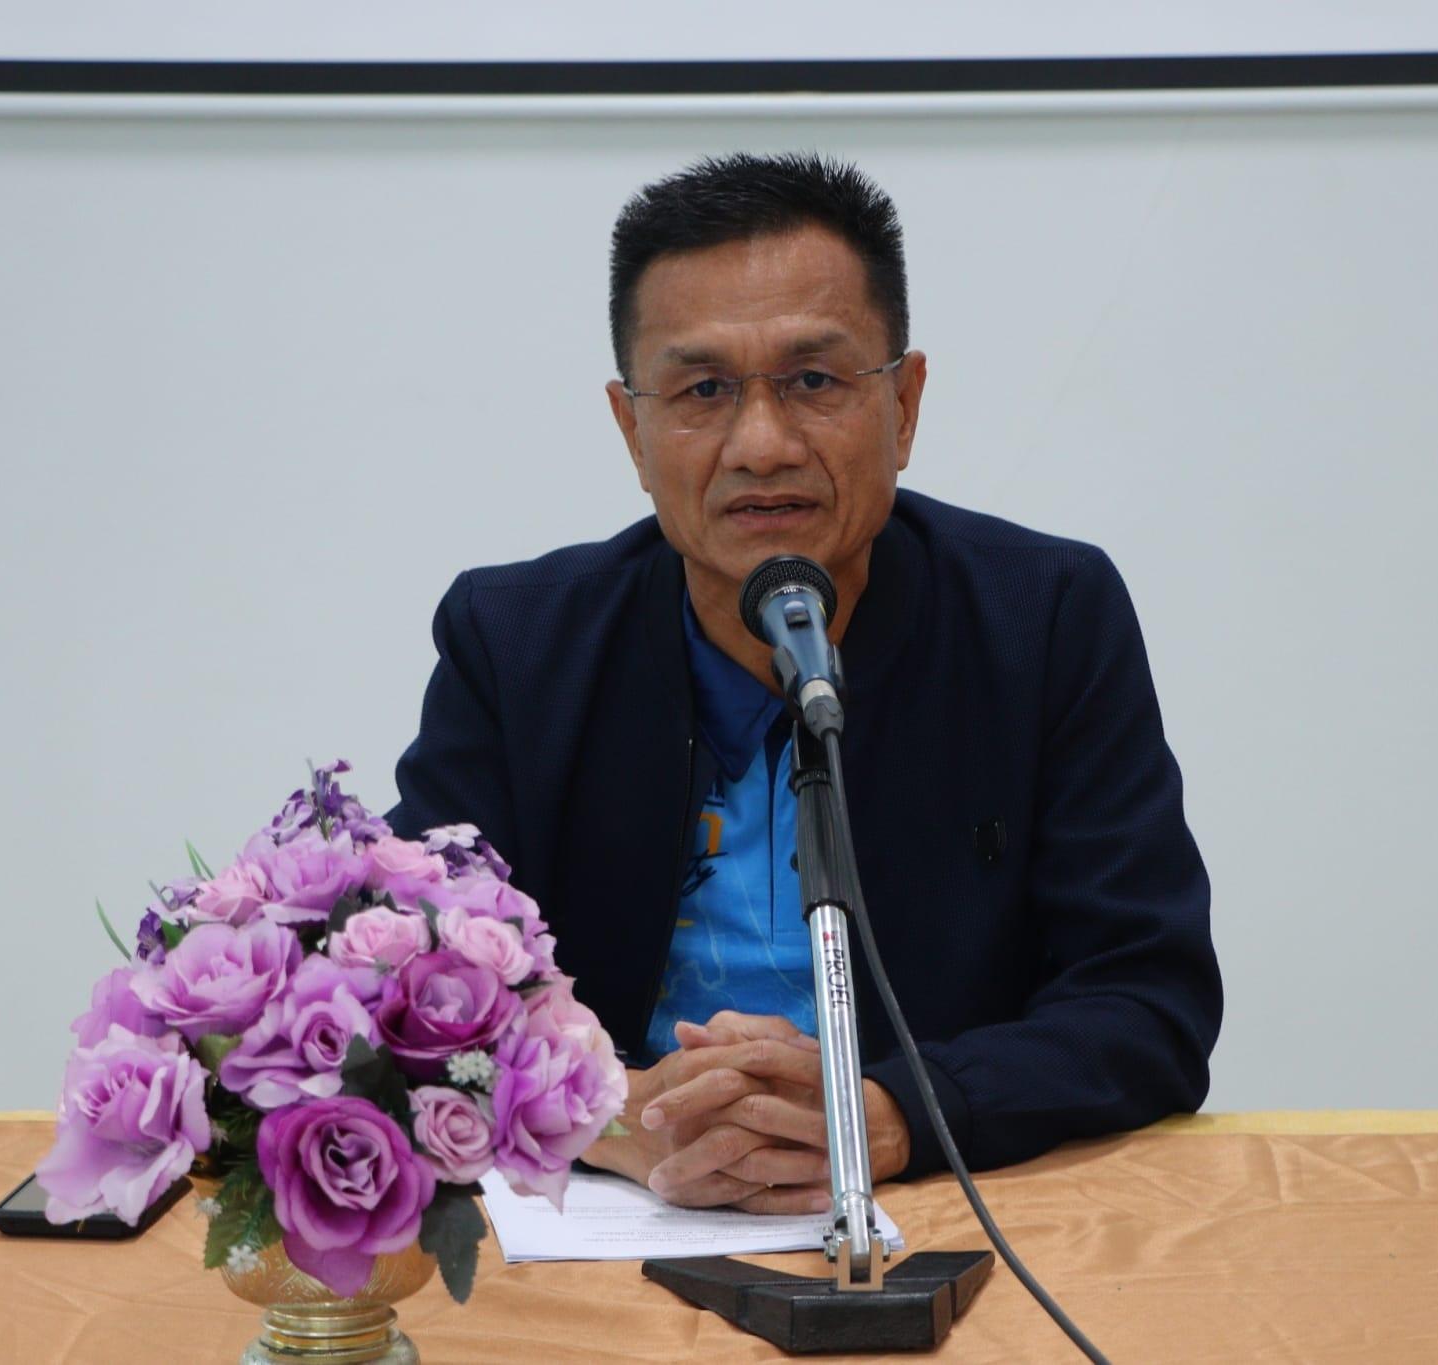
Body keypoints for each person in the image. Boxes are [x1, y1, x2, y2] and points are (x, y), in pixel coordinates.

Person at [388, 152, 1220, 1214]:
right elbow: (403, 991)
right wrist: (612, 1117)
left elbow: (1146, 999)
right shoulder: (516, 645)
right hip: (622, 1210)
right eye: (702, 391)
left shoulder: (1042, 618)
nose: (762, 444)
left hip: (936, 1203)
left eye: (814, 382)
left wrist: (895, 1114)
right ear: (631, 430)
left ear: (904, 404)